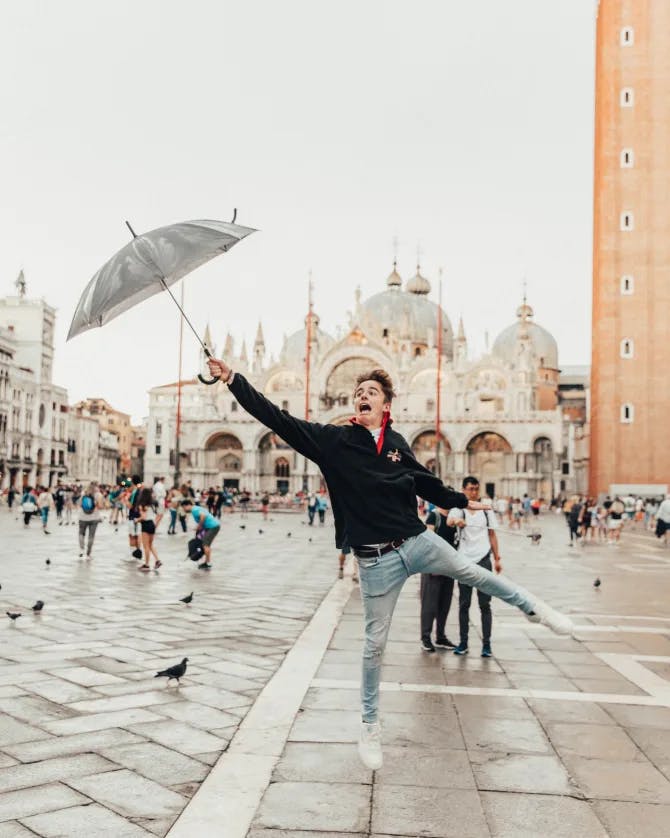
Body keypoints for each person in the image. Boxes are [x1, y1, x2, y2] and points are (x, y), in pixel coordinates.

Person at [205, 356, 573, 770]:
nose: (362, 395)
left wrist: (461, 501)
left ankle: (535, 609)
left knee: (474, 572)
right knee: (373, 646)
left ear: (386, 405)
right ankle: (369, 725)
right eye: (358, 392)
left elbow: (422, 479)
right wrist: (233, 380)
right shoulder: (332, 440)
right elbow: (277, 418)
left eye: (371, 392)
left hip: (416, 541)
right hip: (375, 561)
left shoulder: (397, 442)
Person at [448, 477, 501, 658]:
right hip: (465, 561)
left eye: (476, 489)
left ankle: (487, 645)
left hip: (484, 559)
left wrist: (498, 558)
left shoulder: (486, 510)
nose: (474, 492)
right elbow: (449, 521)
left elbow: (492, 534)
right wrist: (457, 522)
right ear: (463, 490)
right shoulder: (458, 508)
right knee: (464, 603)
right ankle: (463, 643)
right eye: (471, 489)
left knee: (485, 604)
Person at [420, 505, 456, 652]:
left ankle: (440, 637)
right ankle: (425, 638)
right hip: (433, 567)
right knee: (429, 604)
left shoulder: (454, 519)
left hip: (450, 567)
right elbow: (427, 541)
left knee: (444, 604)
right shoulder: (434, 516)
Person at [182, 498, 220, 570]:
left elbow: (203, 516)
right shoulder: (196, 508)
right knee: (205, 544)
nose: (184, 509)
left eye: (184, 507)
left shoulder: (194, 510)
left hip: (212, 527)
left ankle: (207, 563)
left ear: (187, 505)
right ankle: (206, 561)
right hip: (211, 527)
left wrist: (199, 526)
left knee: (205, 545)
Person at [137, 487, 162, 571]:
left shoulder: (142, 505)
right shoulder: (152, 504)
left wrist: (136, 520)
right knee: (150, 545)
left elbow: (143, 517)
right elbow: (159, 514)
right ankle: (157, 560)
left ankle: (147, 564)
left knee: (146, 546)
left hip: (146, 525)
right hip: (152, 524)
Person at [78, 482, 103, 558]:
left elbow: (79, 504)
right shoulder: (98, 495)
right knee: (91, 536)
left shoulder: (83, 493)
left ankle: (82, 548)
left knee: (81, 533)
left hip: (82, 517)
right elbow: (100, 506)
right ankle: (88, 553)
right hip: (94, 518)